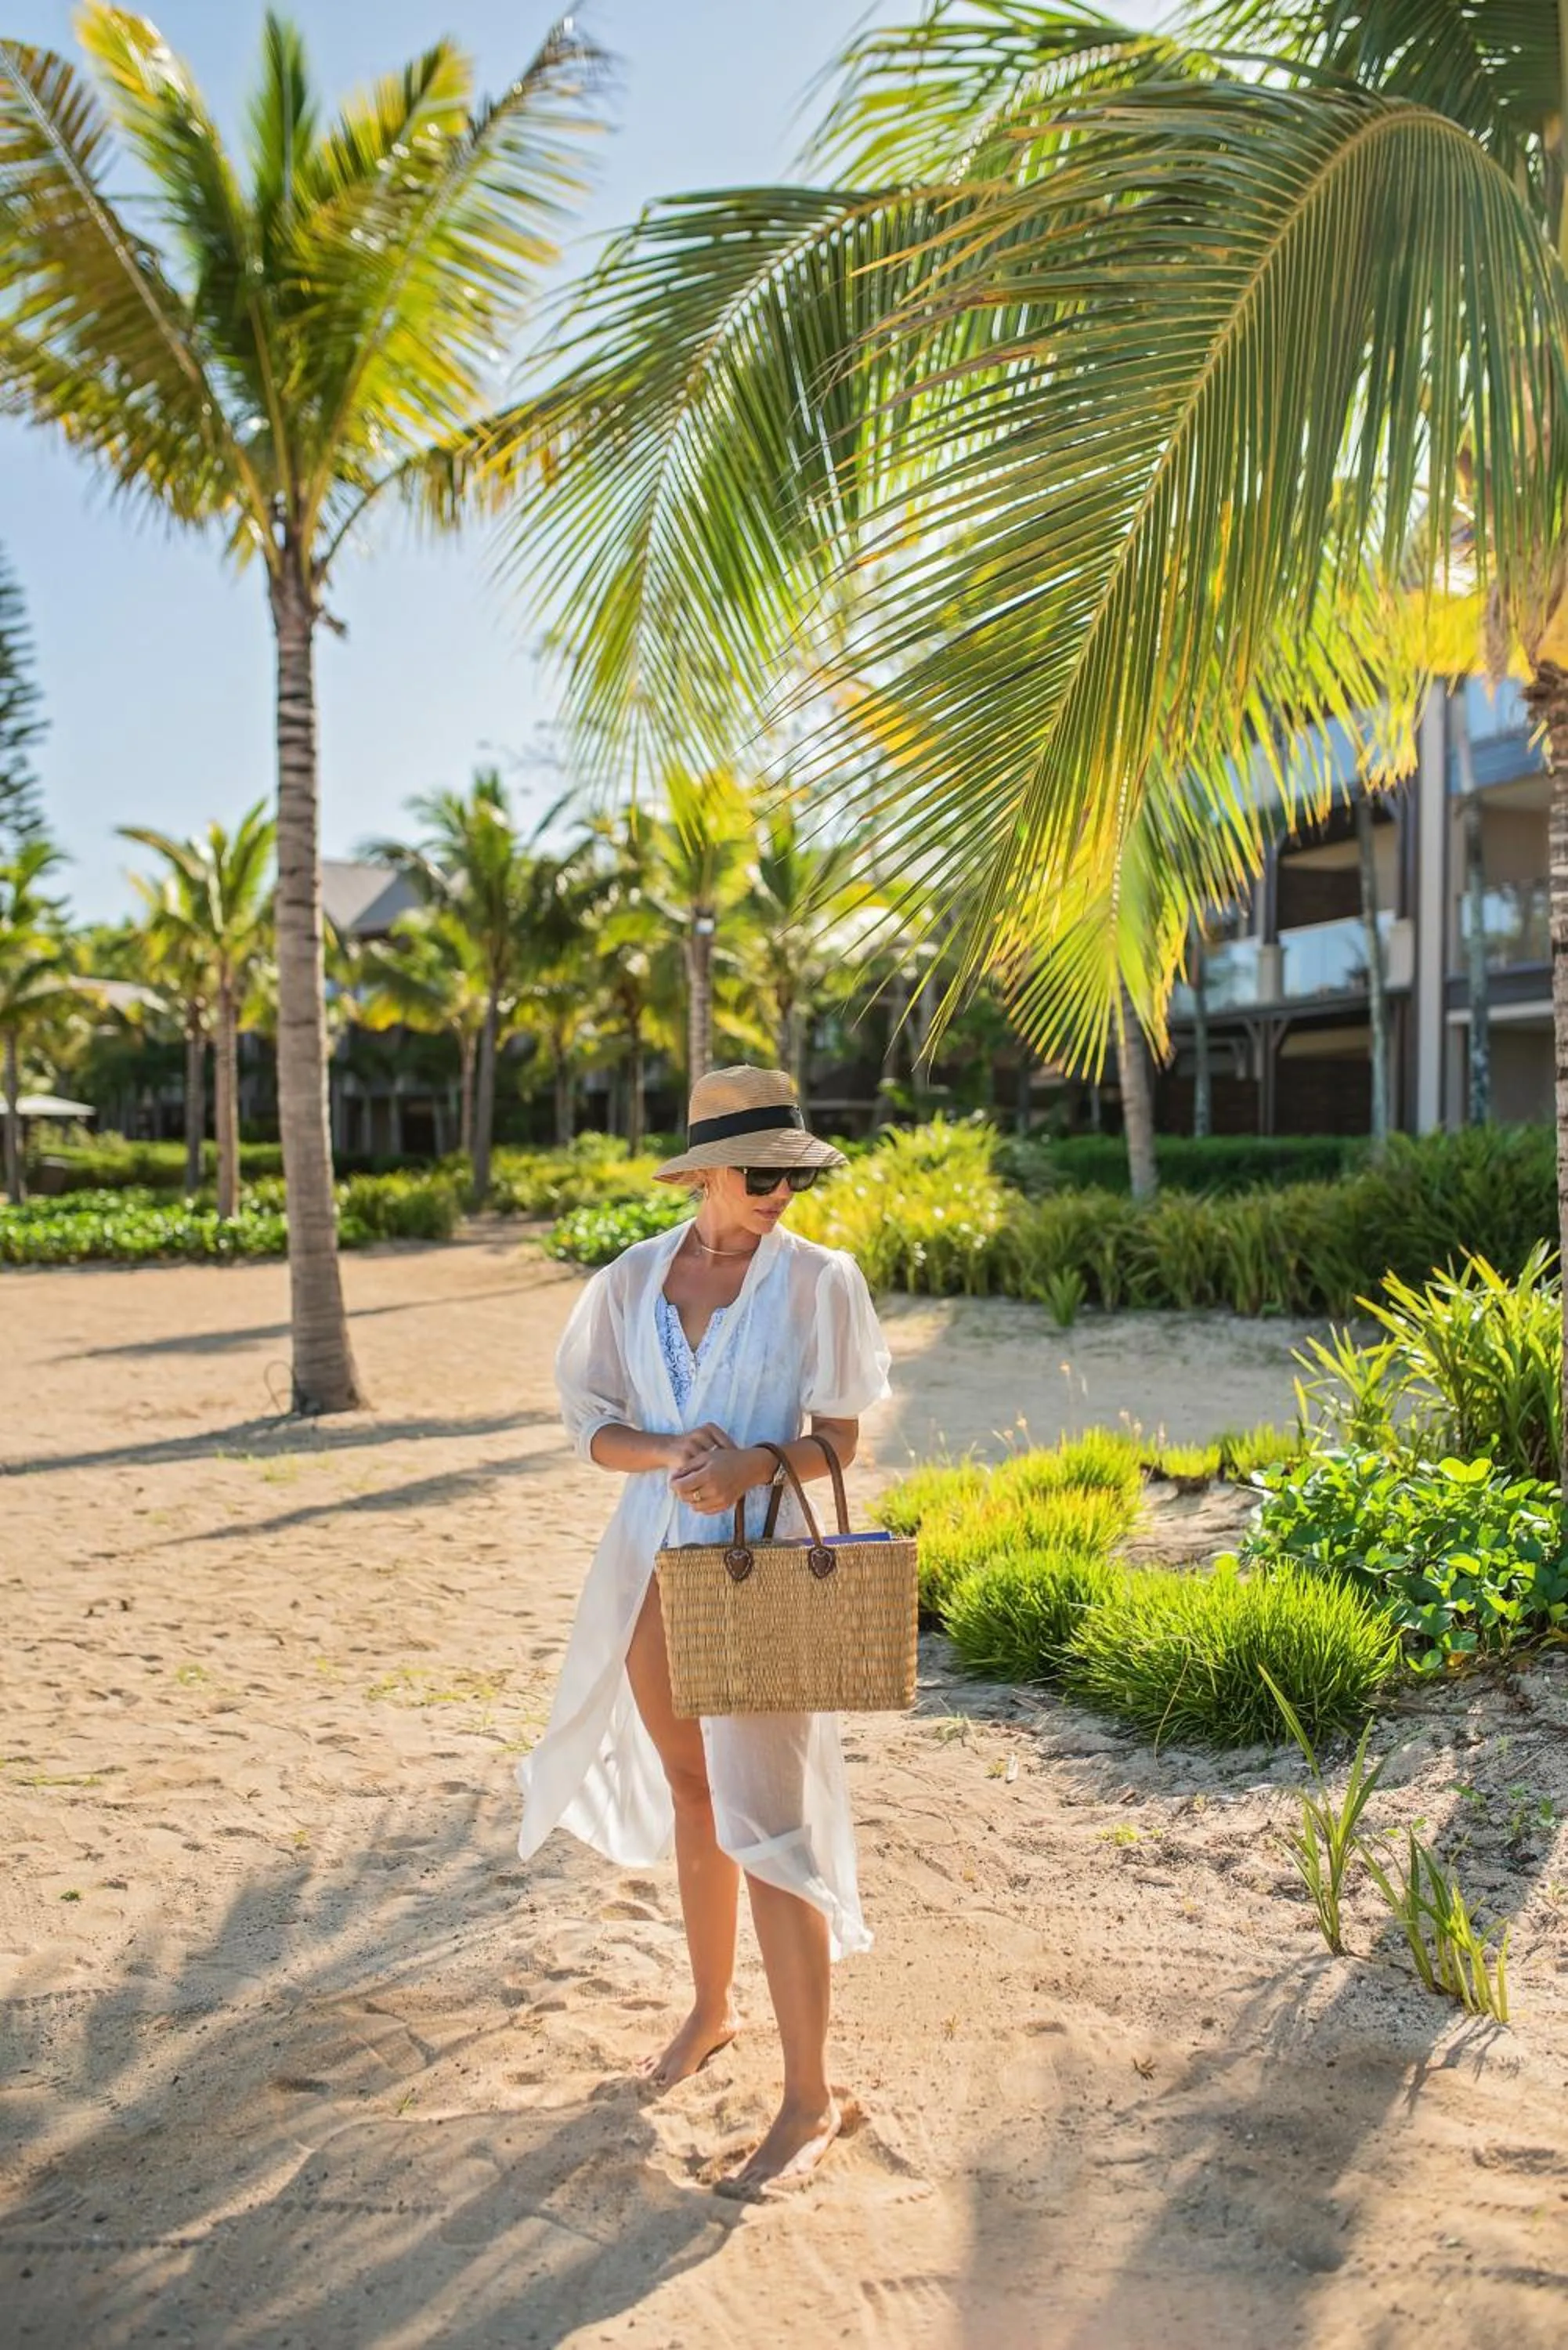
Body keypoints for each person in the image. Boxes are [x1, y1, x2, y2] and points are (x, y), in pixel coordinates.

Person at [518, 1064, 891, 2196]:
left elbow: (840, 1441)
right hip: (649, 1561)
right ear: (708, 1173)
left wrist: (750, 1468)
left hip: (759, 1567)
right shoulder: (632, 1280)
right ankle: (712, 2007)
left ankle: (810, 2096)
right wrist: (671, 1454)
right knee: (693, 1791)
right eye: (762, 1173)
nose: (782, 1192)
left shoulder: (821, 1282)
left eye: (795, 1174)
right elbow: (592, 1426)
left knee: (767, 1819)